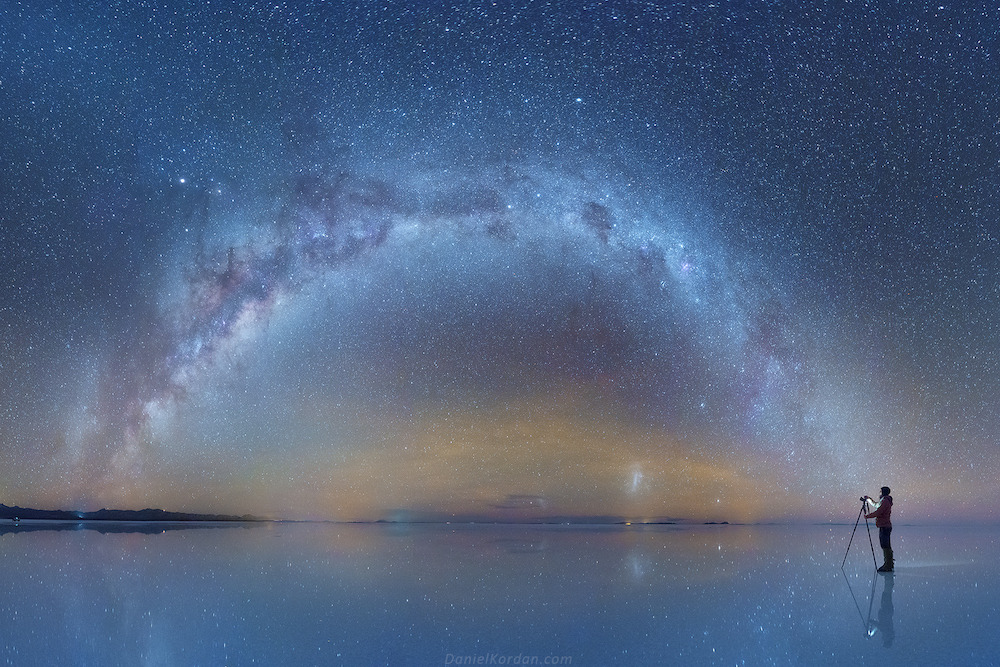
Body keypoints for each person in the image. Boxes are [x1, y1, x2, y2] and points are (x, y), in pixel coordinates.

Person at [864, 487, 893, 572]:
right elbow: (876, 505)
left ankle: (888, 565)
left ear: (883, 492)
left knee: (885, 545)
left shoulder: (885, 501)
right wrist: (869, 499)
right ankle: (889, 563)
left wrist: (868, 516)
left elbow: (878, 511)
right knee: (886, 545)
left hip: (885, 526)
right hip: (884, 526)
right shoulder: (884, 500)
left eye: (881, 491)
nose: (880, 492)